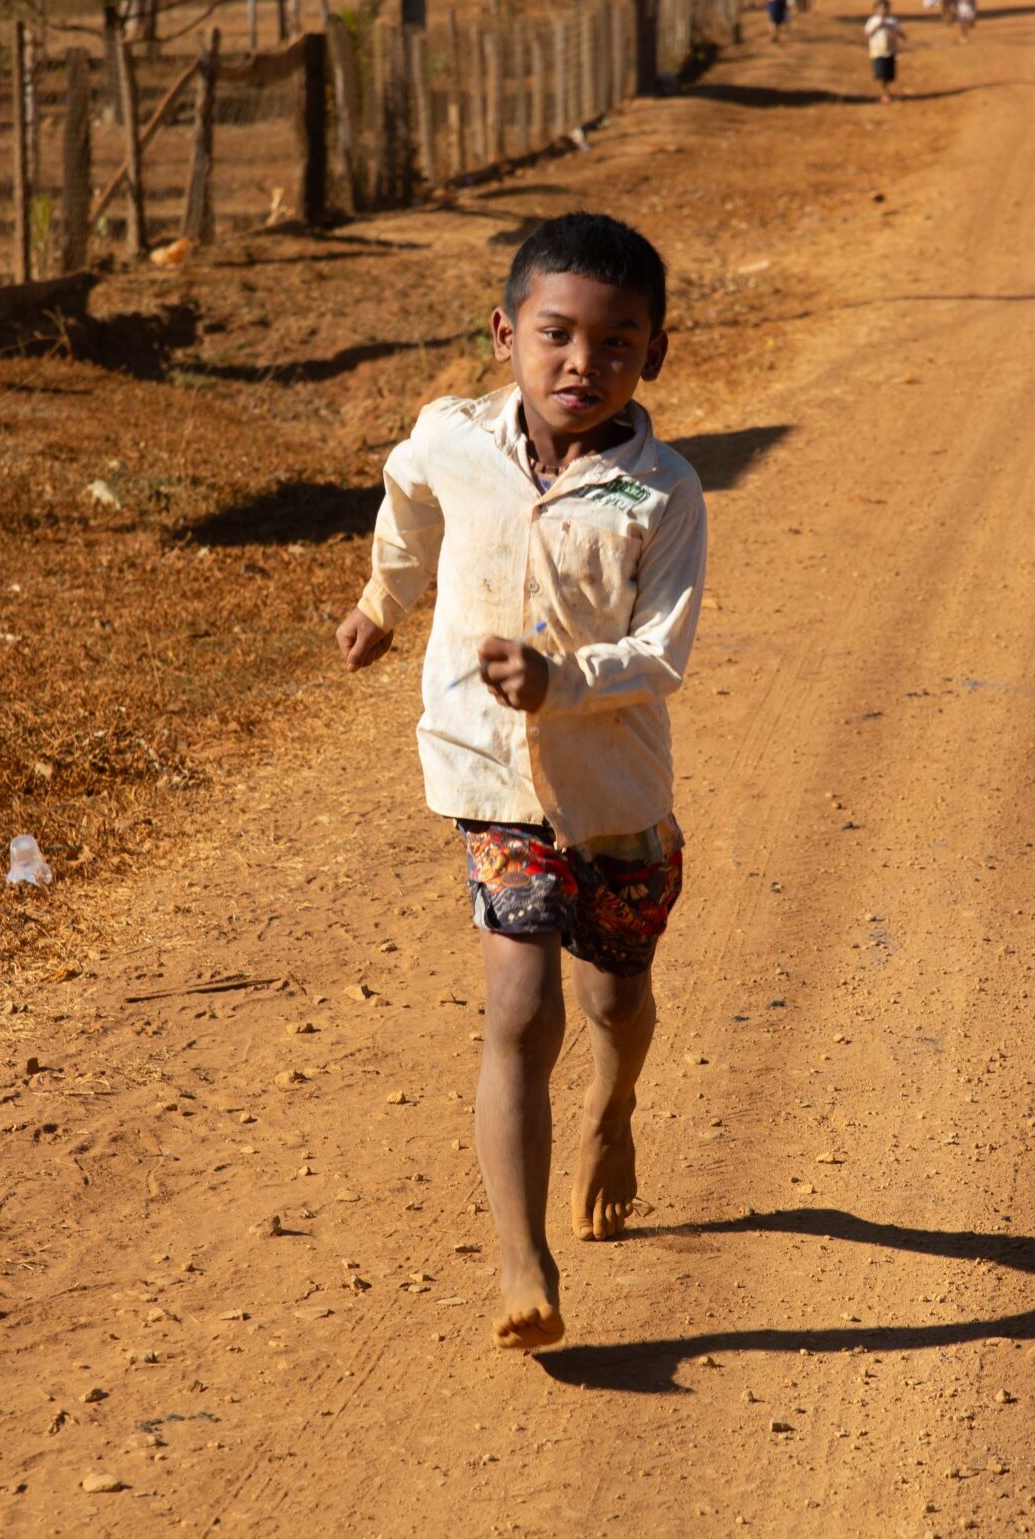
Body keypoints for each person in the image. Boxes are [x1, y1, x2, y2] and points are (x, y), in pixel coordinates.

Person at [337, 213, 707, 1353]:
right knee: (520, 1007)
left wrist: (562, 681)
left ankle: (612, 1107)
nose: (581, 363)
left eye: (615, 342)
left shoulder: (662, 492)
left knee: (614, 1002)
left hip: (614, 790)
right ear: (505, 334)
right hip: (491, 775)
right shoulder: (452, 439)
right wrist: (383, 602)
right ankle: (522, 1262)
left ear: (654, 354)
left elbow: (662, 653)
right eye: (556, 335)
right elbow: (409, 501)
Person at [863, 0, 906, 104]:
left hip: (890, 51)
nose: (883, 10)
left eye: (885, 8)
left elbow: (900, 32)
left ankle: (887, 93)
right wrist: (877, 25)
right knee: (881, 74)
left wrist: (899, 33)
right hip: (878, 52)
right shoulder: (872, 21)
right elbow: (867, 33)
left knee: (889, 74)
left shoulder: (892, 21)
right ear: (875, 9)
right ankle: (885, 93)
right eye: (880, 8)